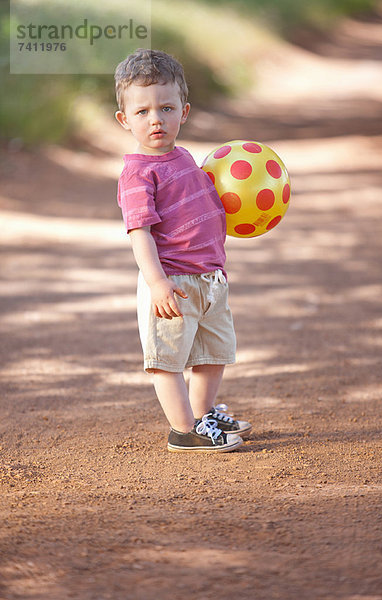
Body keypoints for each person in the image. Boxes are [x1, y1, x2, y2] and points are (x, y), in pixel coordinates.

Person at [114, 48, 252, 452]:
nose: (155, 118)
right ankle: (183, 430)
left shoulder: (186, 157)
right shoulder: (137, 173)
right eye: (142, 112)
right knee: (169, 360)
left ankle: (204, 414)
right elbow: (139, 232)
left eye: (166, 107)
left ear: (184, 111)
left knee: (213, 353)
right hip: (171, 281)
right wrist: (156, 282)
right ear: (124, 119)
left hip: (209, 278)